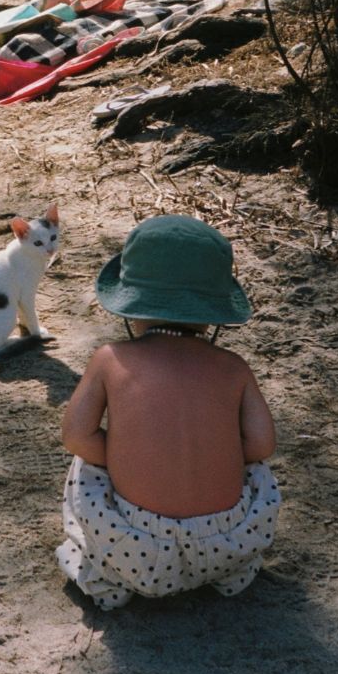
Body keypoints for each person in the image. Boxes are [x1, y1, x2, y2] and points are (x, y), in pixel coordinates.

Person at [56, 214, 280, 609]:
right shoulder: (233, 367)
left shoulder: (110, 360)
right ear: (214, 312)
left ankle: (109, 577)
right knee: (256, 471)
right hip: (227, 547)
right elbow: (262, 445)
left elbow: (75, 435)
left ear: (131, 305)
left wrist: (132, 457)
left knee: (84, 464)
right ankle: (220, 570)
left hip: (133, 549)